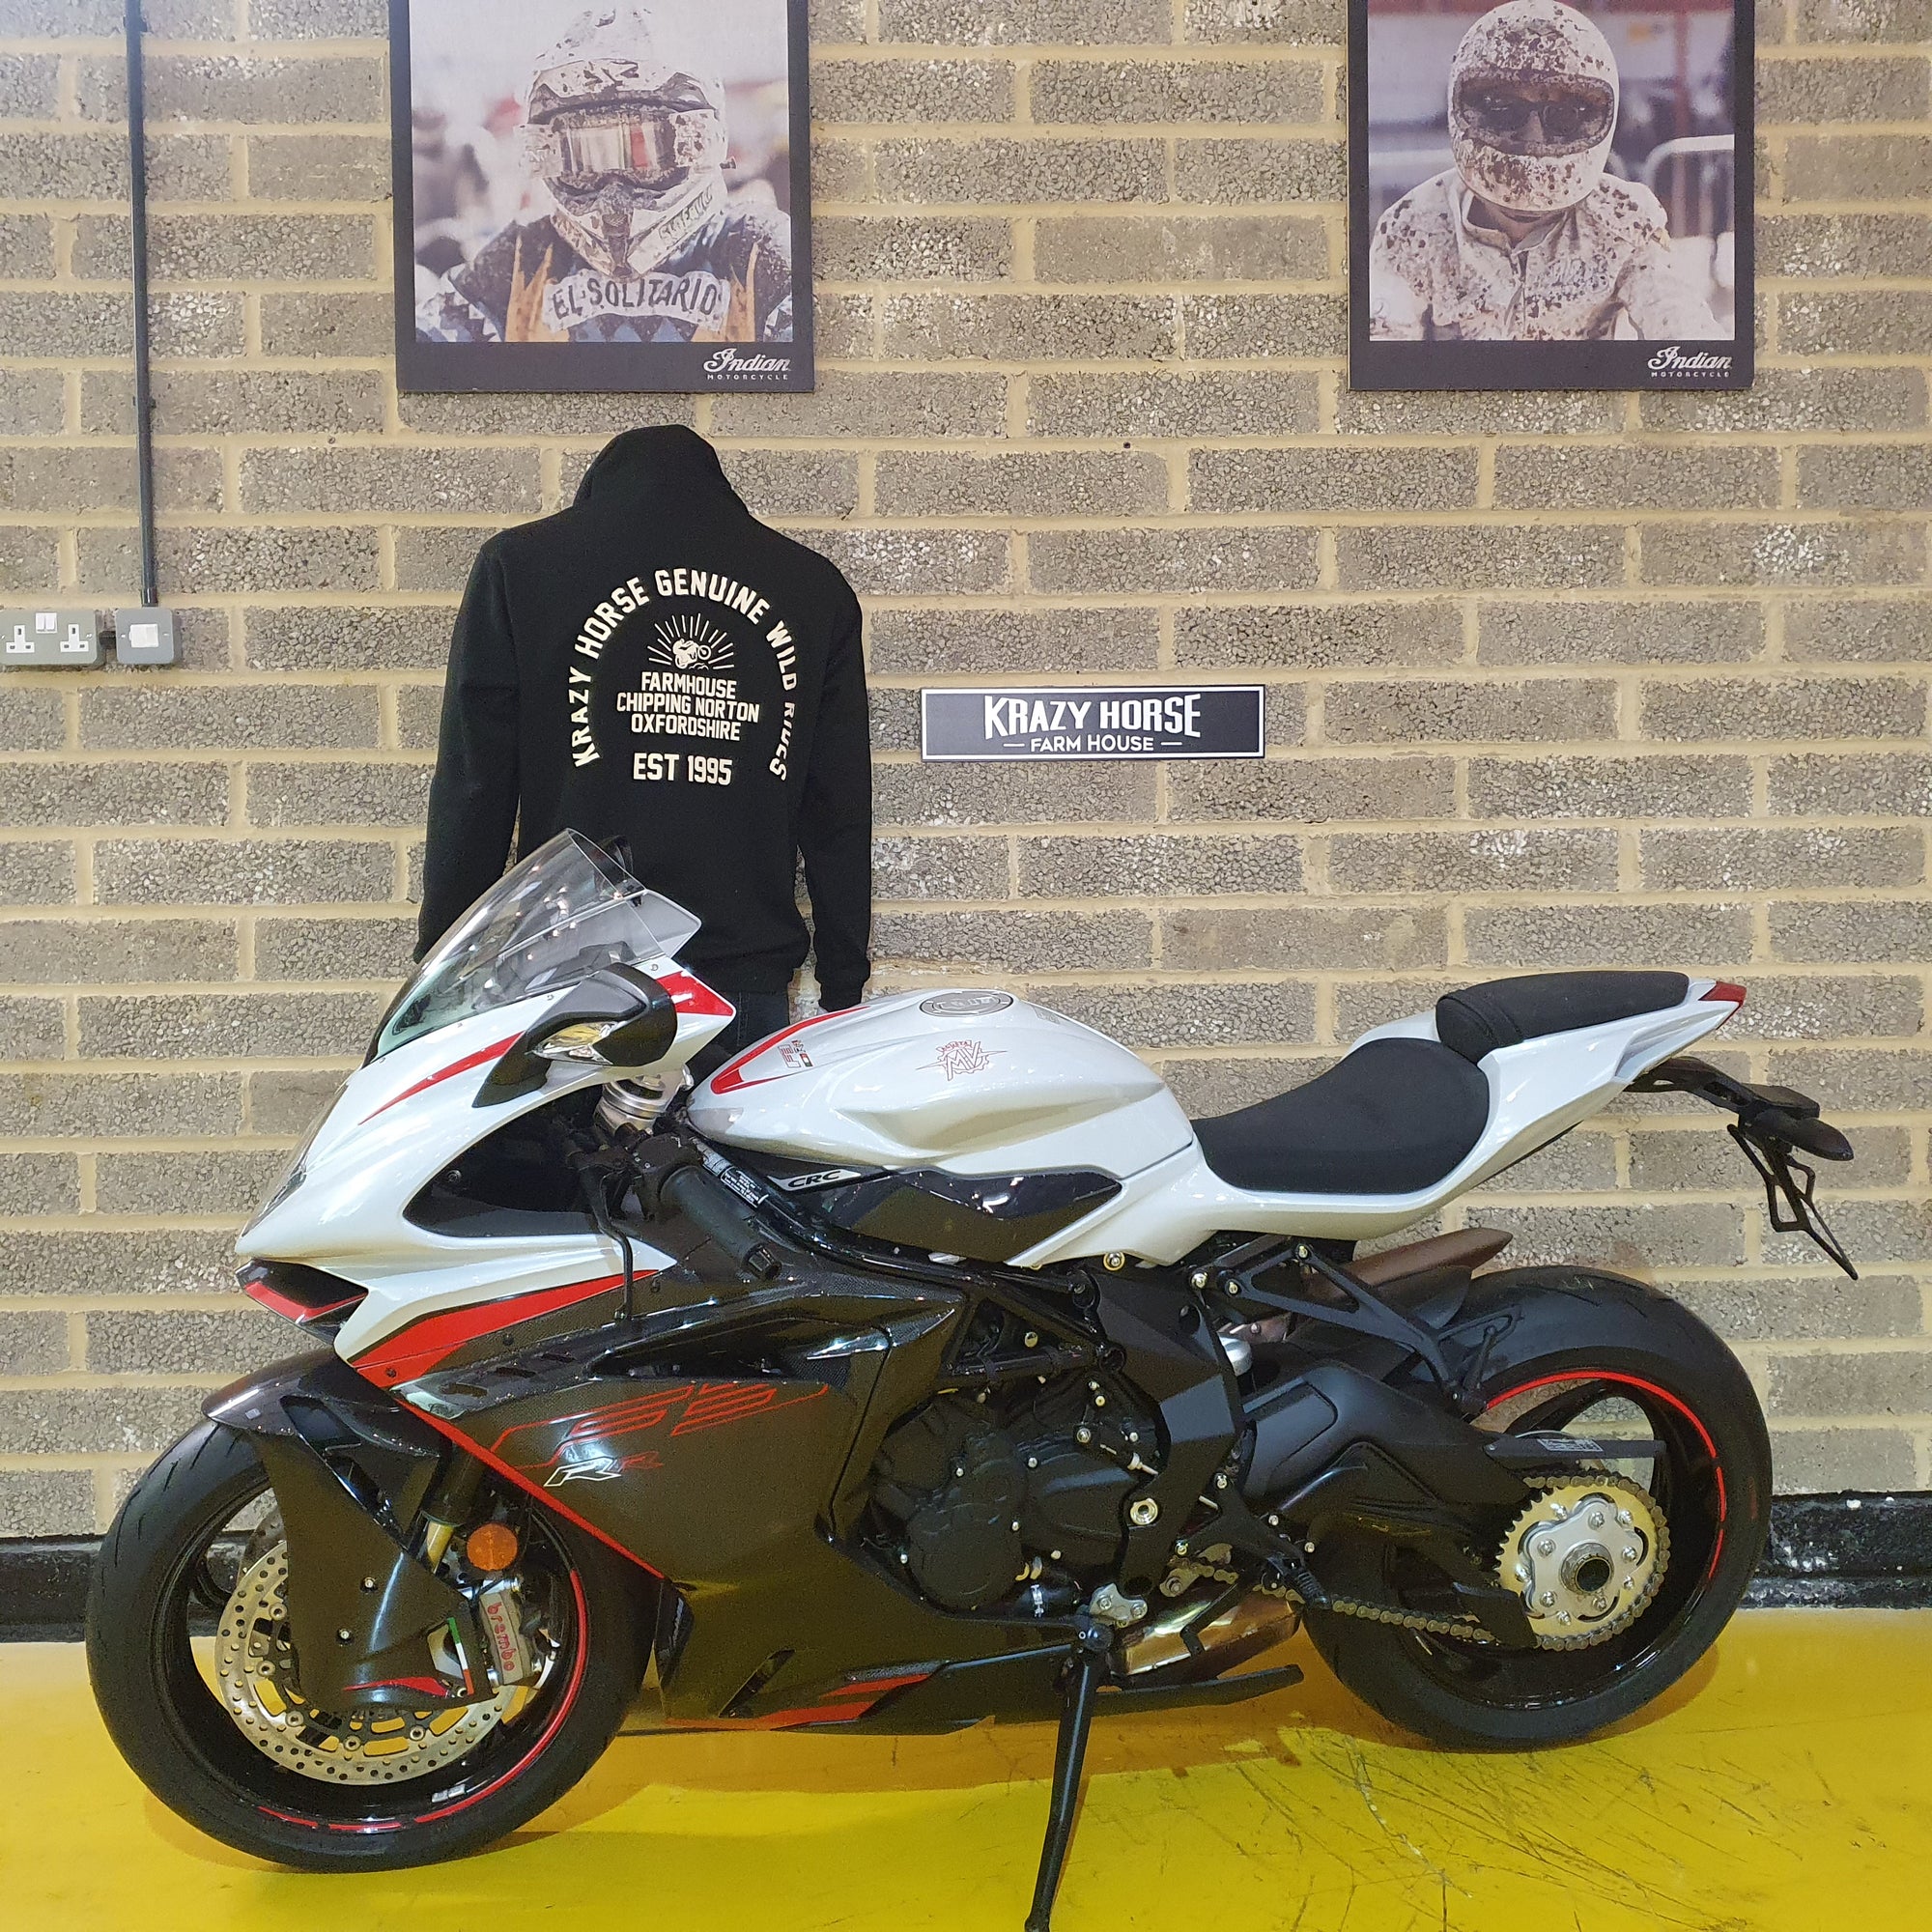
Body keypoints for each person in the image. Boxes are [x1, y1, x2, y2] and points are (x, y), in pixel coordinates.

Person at [417, 426, 870, 1076]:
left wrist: (444, 970)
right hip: (739, 974)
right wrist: (842, 976)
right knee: (724, 1177)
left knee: (571, 1175)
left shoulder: (521, 569)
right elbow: (839, 807)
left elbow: (474, 785)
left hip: (573, 973)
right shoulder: (811, 588)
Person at [416, 5, 791, 346]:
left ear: (700, 142)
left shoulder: (753, 250)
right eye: (583, 159)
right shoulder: (522, 255)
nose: (613, 194)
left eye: (642, 153)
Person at [1369, 0, 1720, 343]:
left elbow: (1685, 328)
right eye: (1503, 110)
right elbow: (1384, 357)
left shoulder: (1622, 220)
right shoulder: (1413, 228)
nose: (1533, 142)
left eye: (1563, 117)